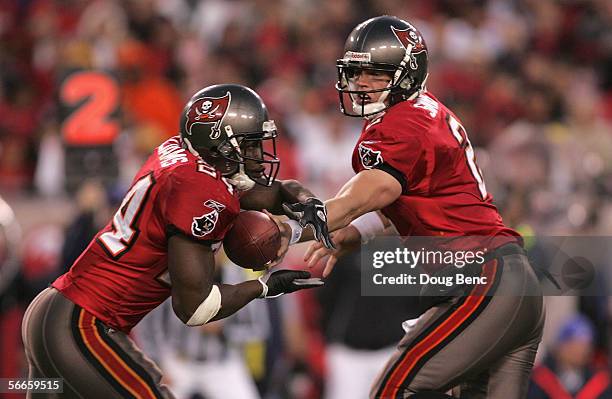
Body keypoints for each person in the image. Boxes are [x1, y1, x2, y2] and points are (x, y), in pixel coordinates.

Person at [272, 16, 545, 399]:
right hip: (509, 284)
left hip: (482, 282)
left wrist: (291, 228)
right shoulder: (424, 114)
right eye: (357, 71)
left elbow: (372, 190)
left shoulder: (407, 120)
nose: (361, 82)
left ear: (406, 73)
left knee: (393, 390)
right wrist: (358, 233)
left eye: (375, 72)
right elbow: (395, 207)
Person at [21, 84, 324, 399]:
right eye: (248, 146)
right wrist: (264, 287)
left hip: (52, 313)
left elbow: (274, 192)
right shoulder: (198, 189)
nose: (258, 156)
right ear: (218, 144)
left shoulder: (186, 156)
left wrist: (313, 205)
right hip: (82, 326)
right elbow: (195, 309)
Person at [528, 315, 611, 399]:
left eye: (585, 347)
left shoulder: (599, 382)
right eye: (574, 346)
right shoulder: (540, 379)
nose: (580, 352)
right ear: (560, 347)